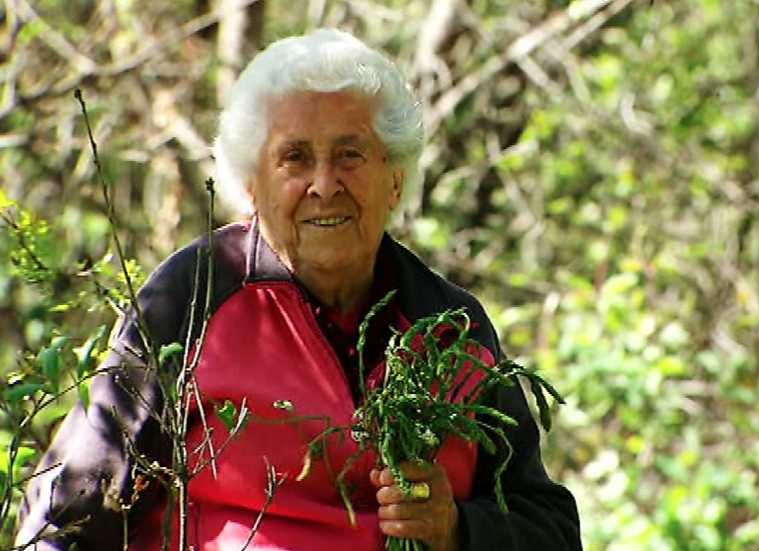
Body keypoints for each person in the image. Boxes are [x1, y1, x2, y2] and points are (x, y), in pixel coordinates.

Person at [16, 29, 580, 551]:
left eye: (350, 154)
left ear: (396, 177)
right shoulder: (193, 297)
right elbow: (67, 514)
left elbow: (550, 528)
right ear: (252, 184)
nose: (324, 184)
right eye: (295, 157)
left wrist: (456, 527)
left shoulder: (451, 327)